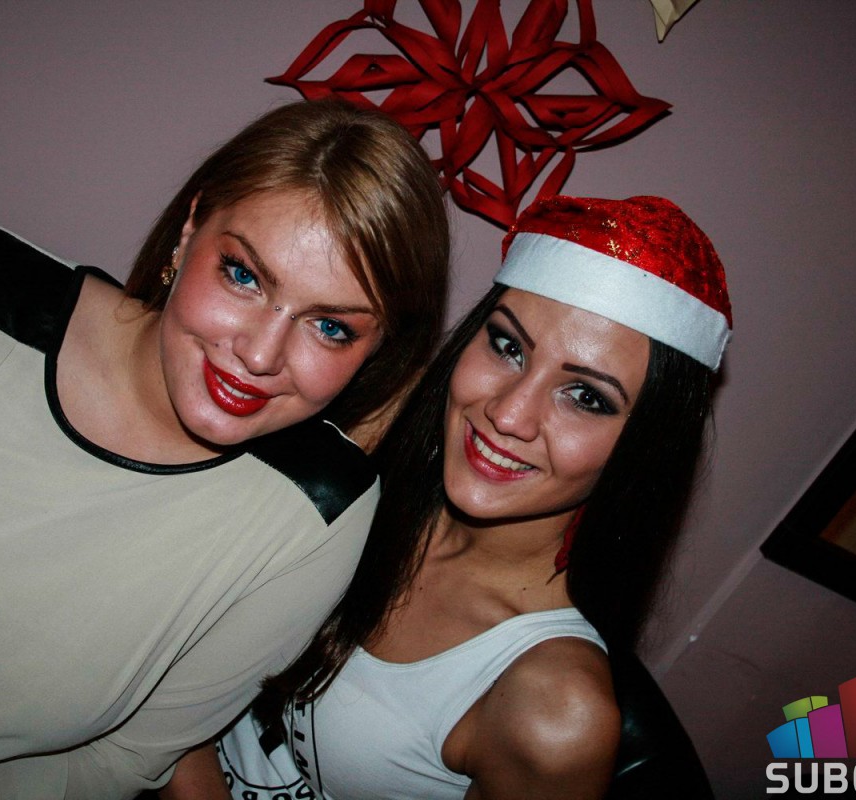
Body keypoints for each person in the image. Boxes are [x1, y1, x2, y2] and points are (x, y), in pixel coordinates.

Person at [0, 99, 449, 798]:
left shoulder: (317, 512)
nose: (260, 354)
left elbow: (125, 758)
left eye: (331, 328)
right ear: (189, 230)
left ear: (376, 351)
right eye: (243, 276)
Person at [162, 194, 733, 800]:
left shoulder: (554, 712)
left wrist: (165, 735)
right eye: (508, 347)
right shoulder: (365, 443)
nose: (508, 414)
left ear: (644, 449)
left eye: (586, 398)